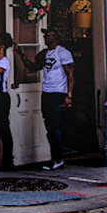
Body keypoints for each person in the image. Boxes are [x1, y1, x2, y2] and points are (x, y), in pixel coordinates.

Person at [39, 28, 74, 169]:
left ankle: (58, 158)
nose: (45, 38)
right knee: (48, 124)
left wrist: (68, 95)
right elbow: (33, 66)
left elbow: (70, 74)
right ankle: (54, 157)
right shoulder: (45, 53)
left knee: (54, 126)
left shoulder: (63, 52)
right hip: (46, 92)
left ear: (55, 37)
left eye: (48, 35)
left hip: (57, 92)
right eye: (45, 35)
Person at [0, 35, 16, 171]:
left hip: (1, 97)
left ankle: (8, 161)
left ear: (2, 48)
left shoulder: (4, 62)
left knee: (3, 128)